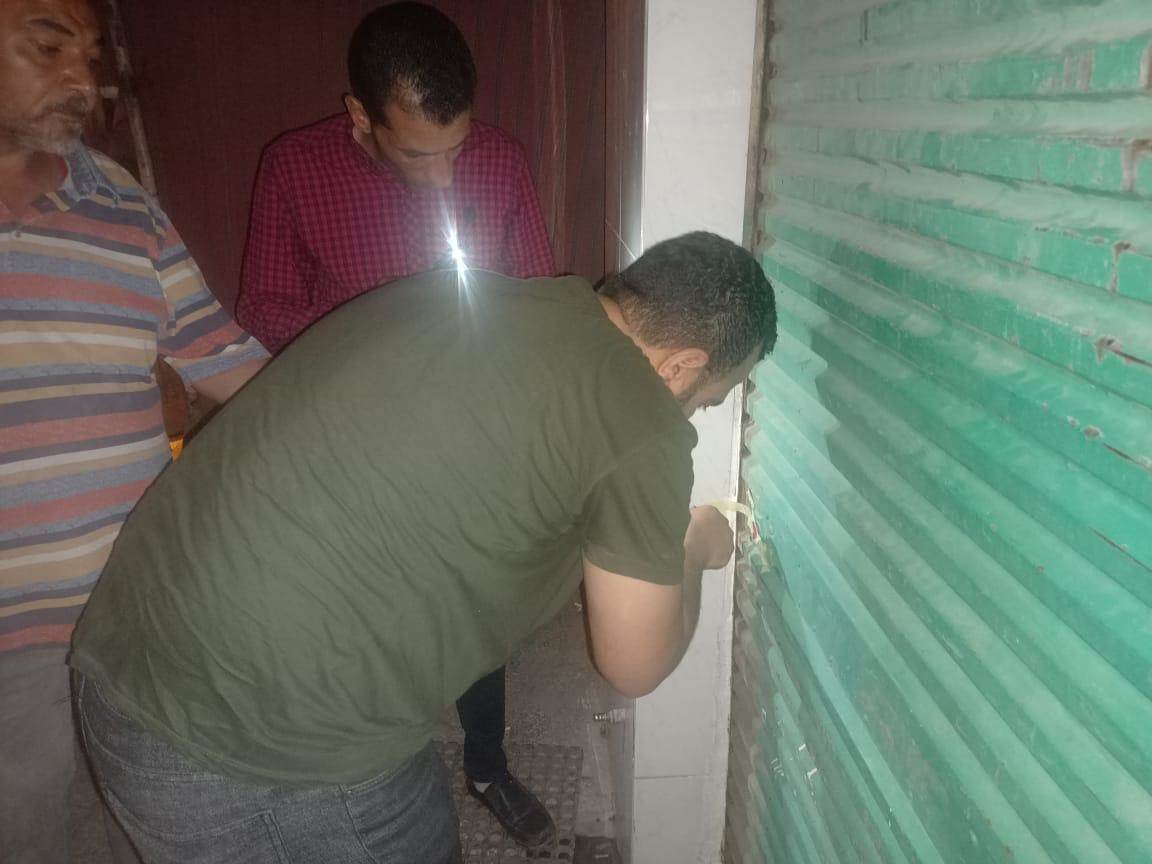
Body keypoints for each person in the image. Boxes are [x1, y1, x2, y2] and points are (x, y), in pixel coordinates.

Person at [71, 231, 777, 864]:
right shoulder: (639, 413)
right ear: (682, 366)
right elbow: (634, 662)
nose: (695, 412)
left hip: (121, 656)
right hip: (263, 736)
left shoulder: (458, 292)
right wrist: (693, 549)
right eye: (709, 398)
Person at [234, 1, 556, 845]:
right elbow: (263, 305)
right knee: (362, 610)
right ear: (360, 117)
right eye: (419, 153)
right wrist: (371, 338)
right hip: (349, 434)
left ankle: (487, 764)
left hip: (469, 429)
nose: (447, 176)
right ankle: (369, 768)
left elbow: (536, 296)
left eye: (457, 147)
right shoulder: (294, 167)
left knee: (477, 603)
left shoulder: (502, 160)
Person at [0, 1, 269, 862]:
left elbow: (223, 355)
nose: (82, 80)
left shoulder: (119, 198)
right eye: (49, 44)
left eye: (90, 55)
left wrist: (358, 416)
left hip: (136, 607)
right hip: (7, 637)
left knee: (160, 816)